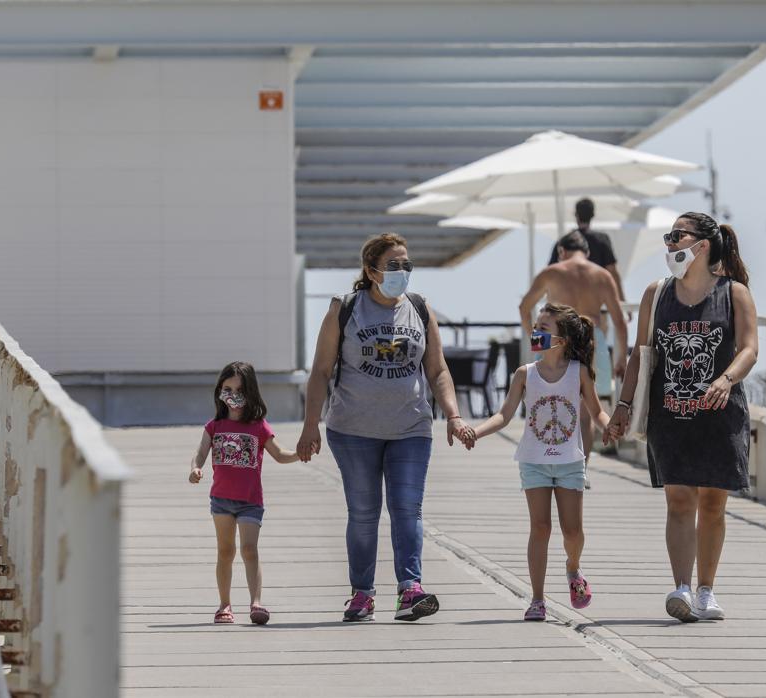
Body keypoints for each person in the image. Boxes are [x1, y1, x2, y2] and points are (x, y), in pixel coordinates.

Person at [297, 232, 476, 623]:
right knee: (363, 513)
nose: (402, 271)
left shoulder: (419, 308)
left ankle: (409, 590)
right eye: (393, 265)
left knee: (407, 510)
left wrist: (454, 415)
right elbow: (321, 372)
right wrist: (310, 425)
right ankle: (362, 594)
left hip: (410, 427)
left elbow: (437, 369)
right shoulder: (345, 309)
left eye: (406, 264)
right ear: (371, 270)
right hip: (352, 429)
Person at [606, 211, 759, 623]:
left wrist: (727, 380)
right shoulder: (657, 294)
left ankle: (707, 590)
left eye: (677, 236)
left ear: (702, 245)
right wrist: (621, 406)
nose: (670, 244)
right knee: (678, 499)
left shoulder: (733, 293)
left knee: (711, 503)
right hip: (669, 414)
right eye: (669, 237)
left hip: (720, 415)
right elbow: (641, 354)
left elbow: (749, 349)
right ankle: (682, 589)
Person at [471, 303, 615, 621]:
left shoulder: (578, 372)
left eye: (543, 329)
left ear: (561, 339)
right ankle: (537, 599)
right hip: (533, 460)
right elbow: (503, 415)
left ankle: (572, 567)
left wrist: (612, 427)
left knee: (572, 531)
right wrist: (476, 433)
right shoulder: (525, 374)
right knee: (540, 527)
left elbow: (596, 411)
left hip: (569, 462)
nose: (536, 333)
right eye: (535, 327)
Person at [188, 361, 300, 626]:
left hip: (250, 501)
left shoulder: (259, 426)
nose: (232, 395)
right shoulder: (214, 426)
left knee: (250, 550)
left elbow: (280, 455)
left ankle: (255, 602)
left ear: (250, 393)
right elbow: (200, 453)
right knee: (225, 551)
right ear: (219, 391)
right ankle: (224, 604)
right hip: (221, 500)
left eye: (239, 390)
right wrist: (195, 469)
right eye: (227, 389)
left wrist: (300, 454)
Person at [521, 231, 628, 468]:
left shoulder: (552, 272)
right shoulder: (601, 275)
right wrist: (621, 358)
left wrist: (536, 340)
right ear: (587, 252)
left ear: (561, 251)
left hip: (553, 341)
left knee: (548, 404)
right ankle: (582, 469)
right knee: (587, 411)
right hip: (592, 339)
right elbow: (620, 321)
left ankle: (548, 462)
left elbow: (524, 306)